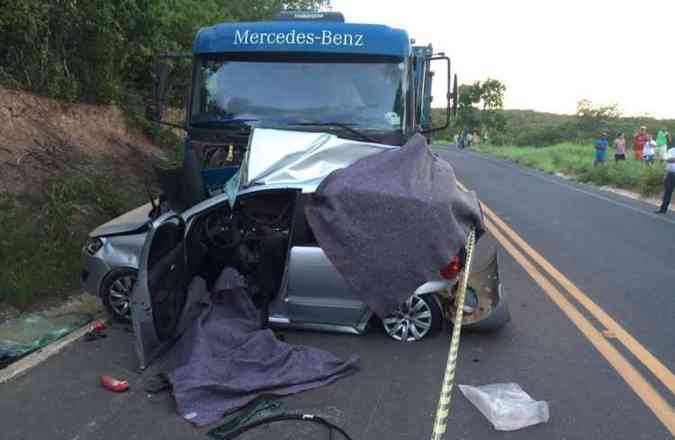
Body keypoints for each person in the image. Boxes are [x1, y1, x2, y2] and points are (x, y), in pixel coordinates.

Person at [654, 145, 675, 214]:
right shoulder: (671, 150)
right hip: (671, 174)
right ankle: (663, 209)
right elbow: (667, 159)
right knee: (667, 193)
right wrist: (665, 174)